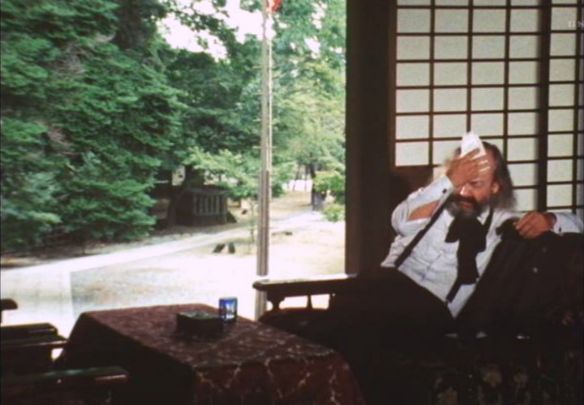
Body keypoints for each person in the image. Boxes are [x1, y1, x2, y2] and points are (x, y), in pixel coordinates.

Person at [380, 142, 583, 323]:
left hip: (433, 311)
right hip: (389, 285)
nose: (464, 192)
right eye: (460, 182)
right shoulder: (432, 200)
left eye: (475, 184)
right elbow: (400, 222)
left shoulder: (500, 221)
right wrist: (449, 181)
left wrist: (550, 219)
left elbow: (578, 224)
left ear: (495, 187)